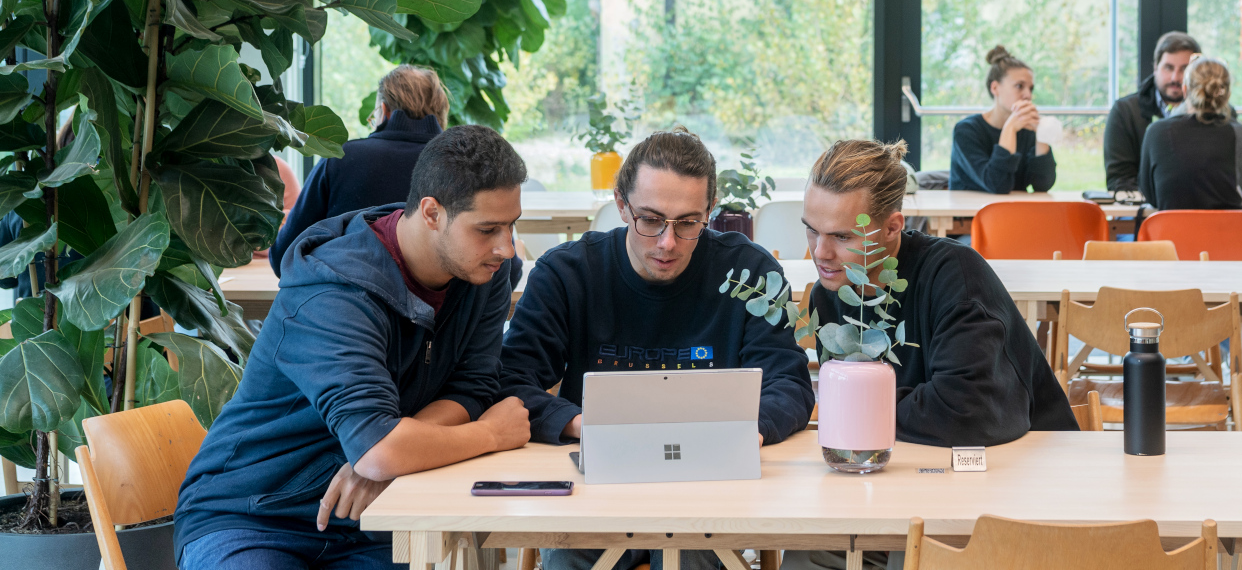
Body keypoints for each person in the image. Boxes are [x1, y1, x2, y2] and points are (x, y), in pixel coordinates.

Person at [175, 126, 532, 570]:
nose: (506, 247)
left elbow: (469, 386)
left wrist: (387, 456)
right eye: (488, 229)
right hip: (253, 516)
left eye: (512, 225)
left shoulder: (484, 272)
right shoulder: (334, 291)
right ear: (432, 213)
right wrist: (489, 435)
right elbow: (381, 449)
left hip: (376, 518)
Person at [499, 126, 815, 570]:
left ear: (709, 211)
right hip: (597, 490)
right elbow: (512, 380)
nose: (668, 242)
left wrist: (745, 431)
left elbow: (791, 382)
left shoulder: (747, 274)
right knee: (569, 557)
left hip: (709, 488)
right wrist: (580, 424)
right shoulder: (569, 273)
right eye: (650, 220)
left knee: (698, 558)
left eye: (688, 223)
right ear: (621, 205)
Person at [792, 139, 1076, 570]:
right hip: (916, 486)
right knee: (810, 548)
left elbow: (967, 412)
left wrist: (861, 411)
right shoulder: (829, 295)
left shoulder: (955, 276)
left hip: (1024, 489)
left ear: (892, 228)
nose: (819, 252)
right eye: (811, 229)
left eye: (842, 236)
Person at [270, 65, 451, 272]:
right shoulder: (463, 166)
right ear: (441, 114)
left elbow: (284, 256)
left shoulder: (341, 159)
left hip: (345, 301)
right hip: (443, 304)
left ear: (384, 111)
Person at [1138, 56, 1242, 211]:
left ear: (1185, 90)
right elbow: (1238, 188)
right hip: (1226, 232)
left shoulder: (1156, 132)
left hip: (1171, 233)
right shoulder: (1240, 133)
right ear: (1227, 95)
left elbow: (1150, 195)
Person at [948, 45, 1056, 194]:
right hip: (970, 215)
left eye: (1030, 88)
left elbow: (1042, 185)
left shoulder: (1027, 129)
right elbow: (997, 184)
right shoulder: (966, 131)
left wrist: (1041, 136)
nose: (1028, 95)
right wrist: (1009, 129)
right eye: (1019, 86)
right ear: (995, 88)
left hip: (1014, 214)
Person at [1104, 31, 1202, 192]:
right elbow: (1119, 180)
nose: (1175, 78)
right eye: (1168, 68)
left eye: (1184, 69)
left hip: (1198, 212)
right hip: (1143, 214)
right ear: (1156, 67)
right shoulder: (1125, 112)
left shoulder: (1215, 114)